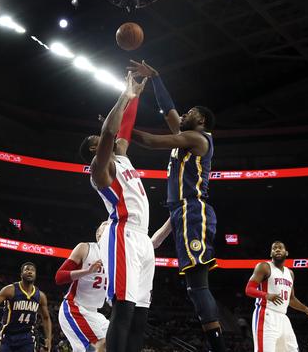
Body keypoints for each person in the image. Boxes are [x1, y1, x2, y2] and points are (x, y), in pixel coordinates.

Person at [128, 60, 225, 351]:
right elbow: (169, 109)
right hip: (181, 212)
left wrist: (119, 127)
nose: (183, 114)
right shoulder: (185, 136)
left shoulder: (196, 138)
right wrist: (156, 77)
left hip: (193, 211)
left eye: (191, 113)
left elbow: (149, 140)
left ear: (202, 121)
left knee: (198, 286)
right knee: (193, 288)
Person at [78, 72, 153, 352]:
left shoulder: (120, 155)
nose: (100, 136)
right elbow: (110, 131)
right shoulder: (100, 169)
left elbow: (123, 129)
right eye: (95, 139)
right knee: (123, 310)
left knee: (140, 315)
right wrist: (124, 94)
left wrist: (134, 96)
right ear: (95, 150)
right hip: (122, 234)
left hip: (142, 240)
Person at [246, 241, 308, 352]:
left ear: (286, 253)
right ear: (270, 253)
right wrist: (266, 295)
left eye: (280, 248)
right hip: (266, 314)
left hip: (283, 318)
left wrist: (307, 310)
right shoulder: (264, 267)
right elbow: (249, 289)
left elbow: (291, 299)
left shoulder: (290, 273)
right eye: (274, 248)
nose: (277, 249)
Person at [55, 222, 109, 352]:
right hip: (75, 308)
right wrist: (87, 271)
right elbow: (59, 277)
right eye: (106, 227)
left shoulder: (116, 258)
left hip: (94, 313)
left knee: (118, 342)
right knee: (99, 348)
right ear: (98, 234)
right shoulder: (85, 248)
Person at [0, 263, 52, 352]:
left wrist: (48, 338)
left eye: (32, 270)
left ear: (35, 275)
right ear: (21, 274)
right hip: (7, 336)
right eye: (27, 269)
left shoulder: (40, 296)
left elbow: (46, 318)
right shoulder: (10, 290)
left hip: (27, 338)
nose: (30, 272)